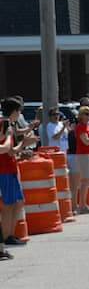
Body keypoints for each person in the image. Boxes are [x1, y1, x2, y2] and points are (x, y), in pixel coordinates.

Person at [0, 97, 37, 252]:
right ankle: (7, 236)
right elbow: (9, 149)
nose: (20, 113)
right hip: (4, 170)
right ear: (14, 111)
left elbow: (13, 146)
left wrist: (22, 150)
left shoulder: (9, 124)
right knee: (8, 205)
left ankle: (11, 235)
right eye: (19, 110)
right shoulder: (4, 124)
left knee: (17, 202)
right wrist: (24, 144)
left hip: (11, 168)